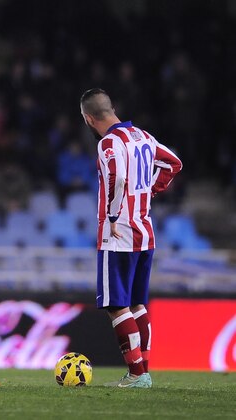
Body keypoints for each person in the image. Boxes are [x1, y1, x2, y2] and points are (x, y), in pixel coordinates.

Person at [80, 88, 182, 388]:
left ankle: (136, 373)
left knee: (116, 305)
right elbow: (173, 163)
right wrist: (151, 190)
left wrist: (112, 216)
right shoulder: (144, 137)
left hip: (119, 234)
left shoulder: (108, 143)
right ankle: (143, 372)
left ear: (88, 118)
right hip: (145, 231)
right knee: (138, 303)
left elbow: (117, 177)